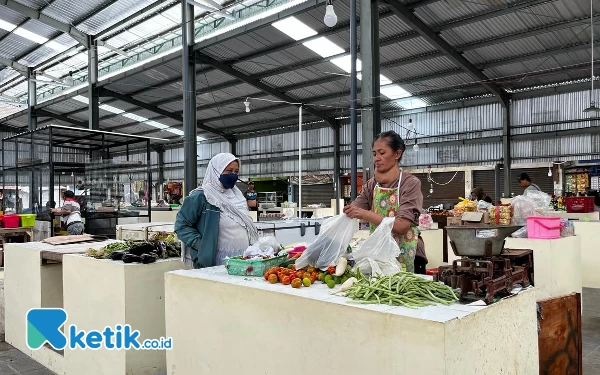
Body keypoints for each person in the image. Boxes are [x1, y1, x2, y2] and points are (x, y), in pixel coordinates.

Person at [343, 131, 427, 274]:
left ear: (397, 154)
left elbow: (401, 226)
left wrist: (365, 214)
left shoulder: (410, 183)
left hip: (407, 254)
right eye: (375, 154)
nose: (377, 158)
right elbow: (355, 209)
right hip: (380, 255)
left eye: (382, 153)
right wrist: (349, 212)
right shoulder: (372, 185)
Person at [175, 153, 259, 269]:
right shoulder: (201, 196)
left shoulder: (237, 196)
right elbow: (181, 226)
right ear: (216, 170)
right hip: (214, 262)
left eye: (236, 171)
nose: (233, 175)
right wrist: (201, 244)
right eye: (229, 170)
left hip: (241, 260)